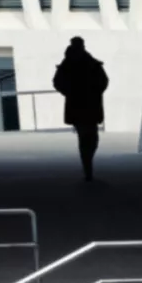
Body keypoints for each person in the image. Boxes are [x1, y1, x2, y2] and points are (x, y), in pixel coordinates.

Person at [52, 38, 108, 183]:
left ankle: (87, 165)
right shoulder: (87, 62)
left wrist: (69, 92)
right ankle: (87, 166)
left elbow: (57, 82)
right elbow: (103, 81)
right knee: (90, 138)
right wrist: (94, 92)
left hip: (79, 105)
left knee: (87, 138)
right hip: (88, 105)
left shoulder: (71, 63)